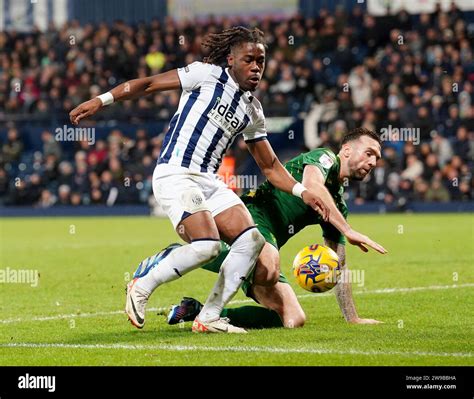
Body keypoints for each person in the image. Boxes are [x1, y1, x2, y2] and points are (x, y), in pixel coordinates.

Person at [69, 27, 330, 334]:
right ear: (231, 59)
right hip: (175, 173)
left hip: (208, 181)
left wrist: (303, 192)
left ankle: (209, 316)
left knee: (252, 240)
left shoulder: (252, 109)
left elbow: (270, 166)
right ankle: (142, 285)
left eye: (261, 60)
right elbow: (149, 83)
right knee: (207, 246)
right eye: (249, 59)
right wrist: (102, 100)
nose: (257, 66)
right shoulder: (205, 75)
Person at [138, 128, 388, 329]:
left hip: (268, 249)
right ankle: (172, 255)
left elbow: (339, 264)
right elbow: (313, 186)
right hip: (252, 220)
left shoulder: (337, 207)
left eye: (376, 157)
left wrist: (352, 317)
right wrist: (348, 229)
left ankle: (197, 311)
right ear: (346, 150)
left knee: (293, 319)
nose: (373, 161)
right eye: (368, 153)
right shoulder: (324, 158)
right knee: (268, 267)